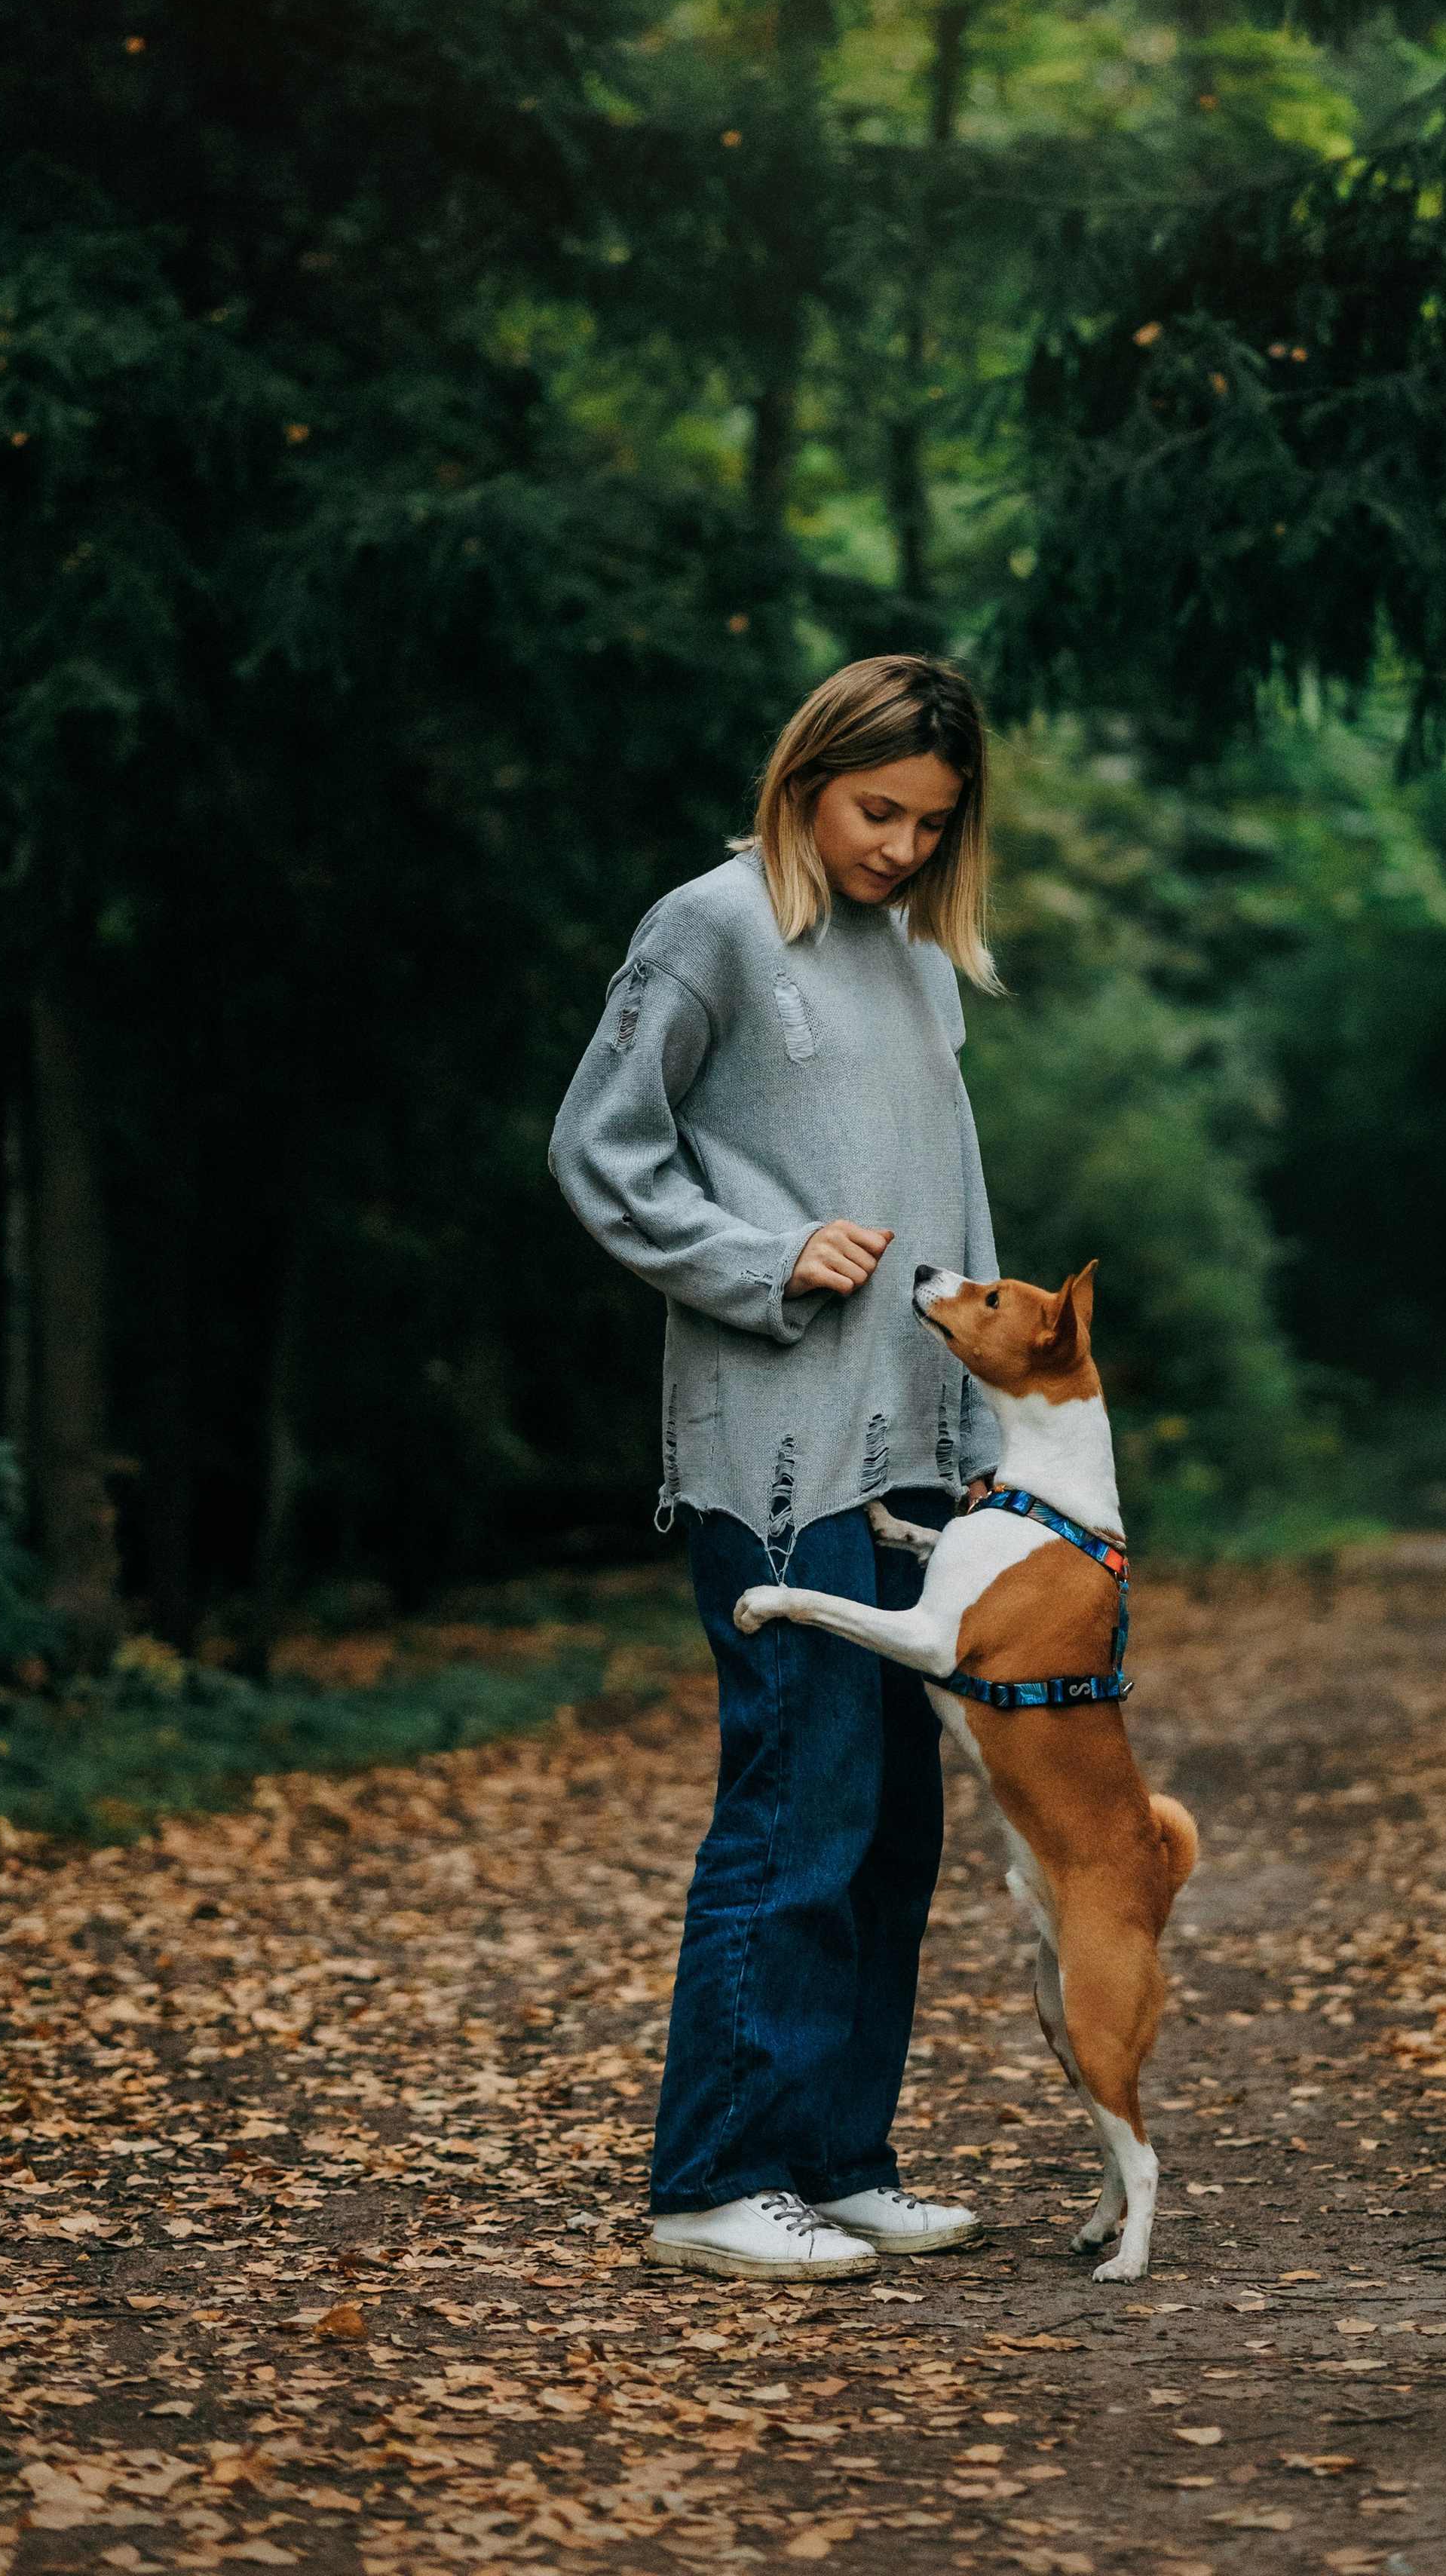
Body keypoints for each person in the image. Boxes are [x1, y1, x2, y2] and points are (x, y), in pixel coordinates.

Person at [548, 654, 1005, 2280]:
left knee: (888, 1827)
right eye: (877, 810)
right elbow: (597, 1148)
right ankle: (712, 2180)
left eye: (929, 824)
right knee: (793, 1808)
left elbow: (954, 1203)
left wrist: (986, 1444)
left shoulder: (914, 957)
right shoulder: (710, 926)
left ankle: (833, 2154)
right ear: (806, 776)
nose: (897, 846)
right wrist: (760, 1255)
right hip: (779, 1449)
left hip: (911, 1450)